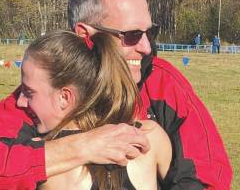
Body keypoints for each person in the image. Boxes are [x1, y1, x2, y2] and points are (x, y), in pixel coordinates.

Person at [67, 0, 232, 189]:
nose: (146, 47)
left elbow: (206, 175)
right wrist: (77, 147)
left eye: (150, 33)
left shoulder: (163, 83)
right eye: (131, 35)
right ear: (85, 35)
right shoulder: (43, 85)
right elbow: (17, 162)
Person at [16, 30, 171, 189]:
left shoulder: (36, 160)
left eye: (28, 92)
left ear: (65, 97)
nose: (19, 102)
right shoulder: (150, 136)